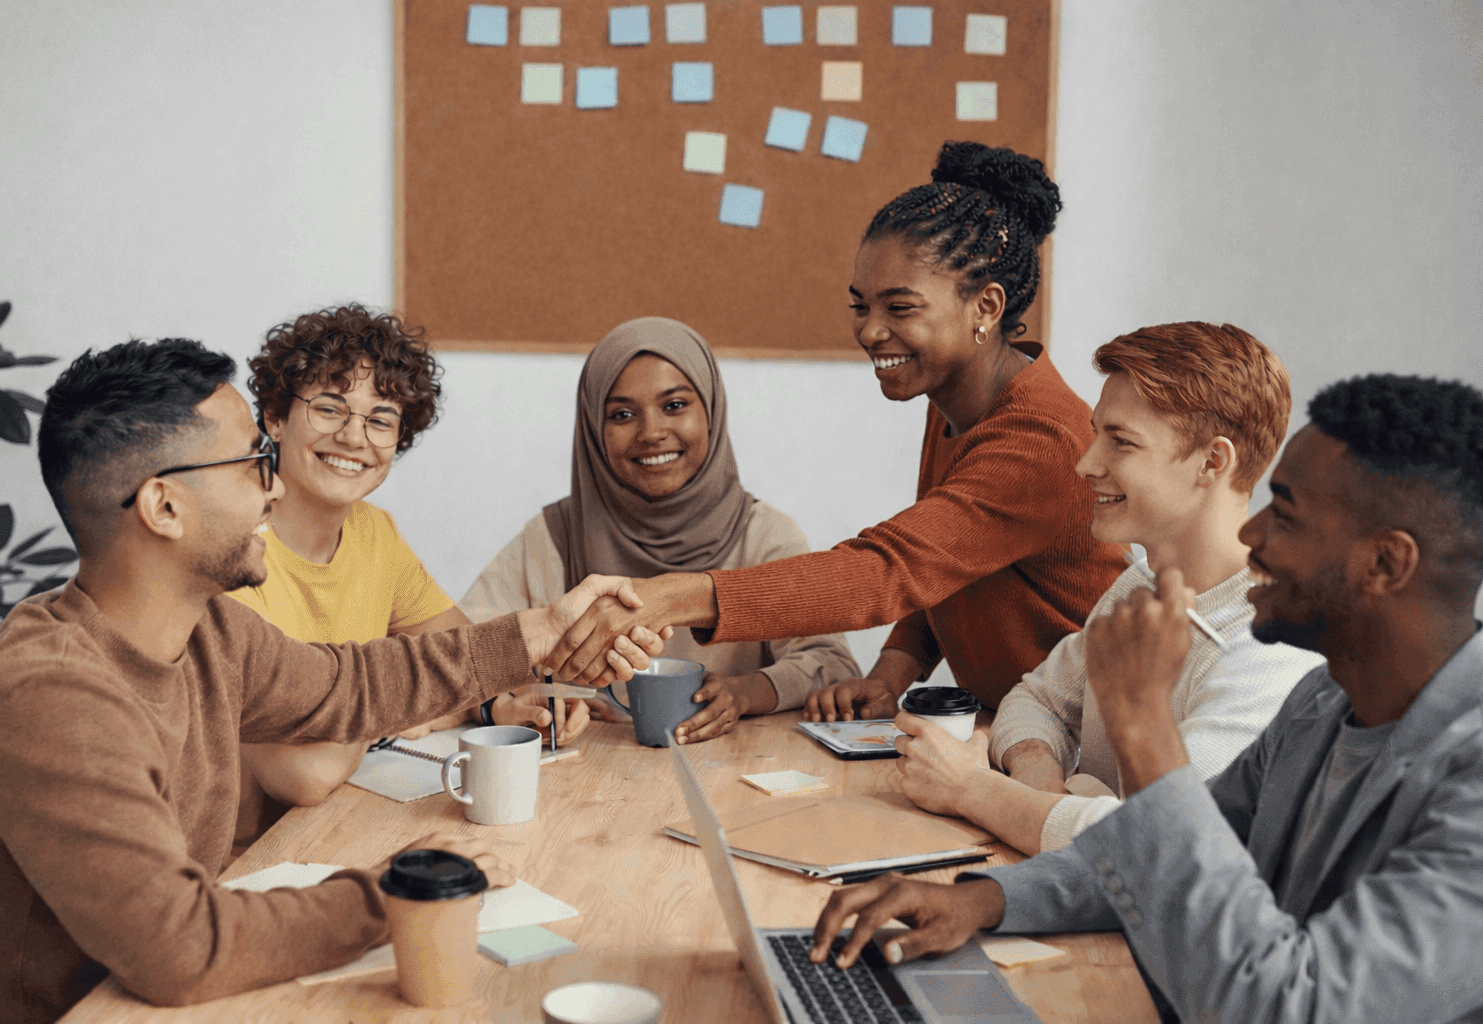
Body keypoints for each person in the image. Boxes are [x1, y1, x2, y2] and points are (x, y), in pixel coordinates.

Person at [0, 338, 659, 1024]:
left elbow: (347, 686)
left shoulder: (210, 631)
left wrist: (541, 631)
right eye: (253, 463)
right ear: (165, 508)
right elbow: (183, 949)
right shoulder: (51, 698)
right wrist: (392, 892)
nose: (276, 485)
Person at [811, 374, 1483, 1024]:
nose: (1253, 535)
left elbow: (1289, 1007)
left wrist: (1143, 719)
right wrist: (982, 901)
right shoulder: (1324, 702)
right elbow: (1162, 855)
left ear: (1386, 565)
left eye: (1287, 514)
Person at [544, 142, 1128, 713]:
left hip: (1091, 735)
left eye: (900, 309)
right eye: (861, 306)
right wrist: (892, 673)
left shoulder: (1039, 438)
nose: (871, 332)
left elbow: (885, 570)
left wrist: (671, 595)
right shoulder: (959, 399)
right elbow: (948, 563)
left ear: (987, 307)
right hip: (1028, 718)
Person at [892, 323, 1324, 854]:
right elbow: (1035, 699)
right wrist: (1042, 785)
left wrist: (970, 788)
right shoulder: (1138, 584)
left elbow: (1150, 846)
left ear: (1212, 462)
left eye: (1119, 441)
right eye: (1097, 433)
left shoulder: (1271, 650)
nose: (1086, 463)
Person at [228, 305, 585, 845]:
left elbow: (468, 659)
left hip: (345, 830)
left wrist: (497, 704)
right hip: (246, 862)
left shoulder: (375, 534)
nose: (354, 437)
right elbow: (304, 773)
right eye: (329, 408)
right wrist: (418, 707)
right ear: (275, 418)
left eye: (380, 420)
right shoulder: (232, 551)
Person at [460, 317, 859, 743]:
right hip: (586, 781)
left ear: (711, 410)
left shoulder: (762, 534)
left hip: (730, 775)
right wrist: (514, 698)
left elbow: (830, 662)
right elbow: (455, 651)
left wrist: (746, 692)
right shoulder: (557, 536)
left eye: (674, 406)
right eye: (623, 414)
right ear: (594, 429)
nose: (651, 433)